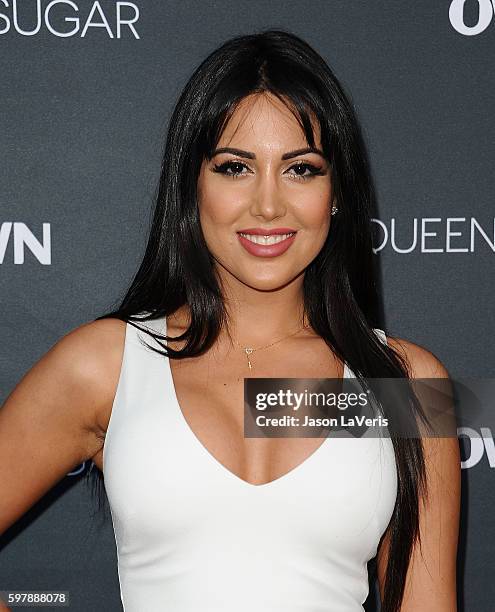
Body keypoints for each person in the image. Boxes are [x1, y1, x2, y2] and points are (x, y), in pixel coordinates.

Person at [0, 29, 460, 612]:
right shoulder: (108, 364)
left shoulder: (409, 386)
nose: (268, 205)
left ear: (337, 192)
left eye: (301, 169)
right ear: (193, 186)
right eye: (235, 167)